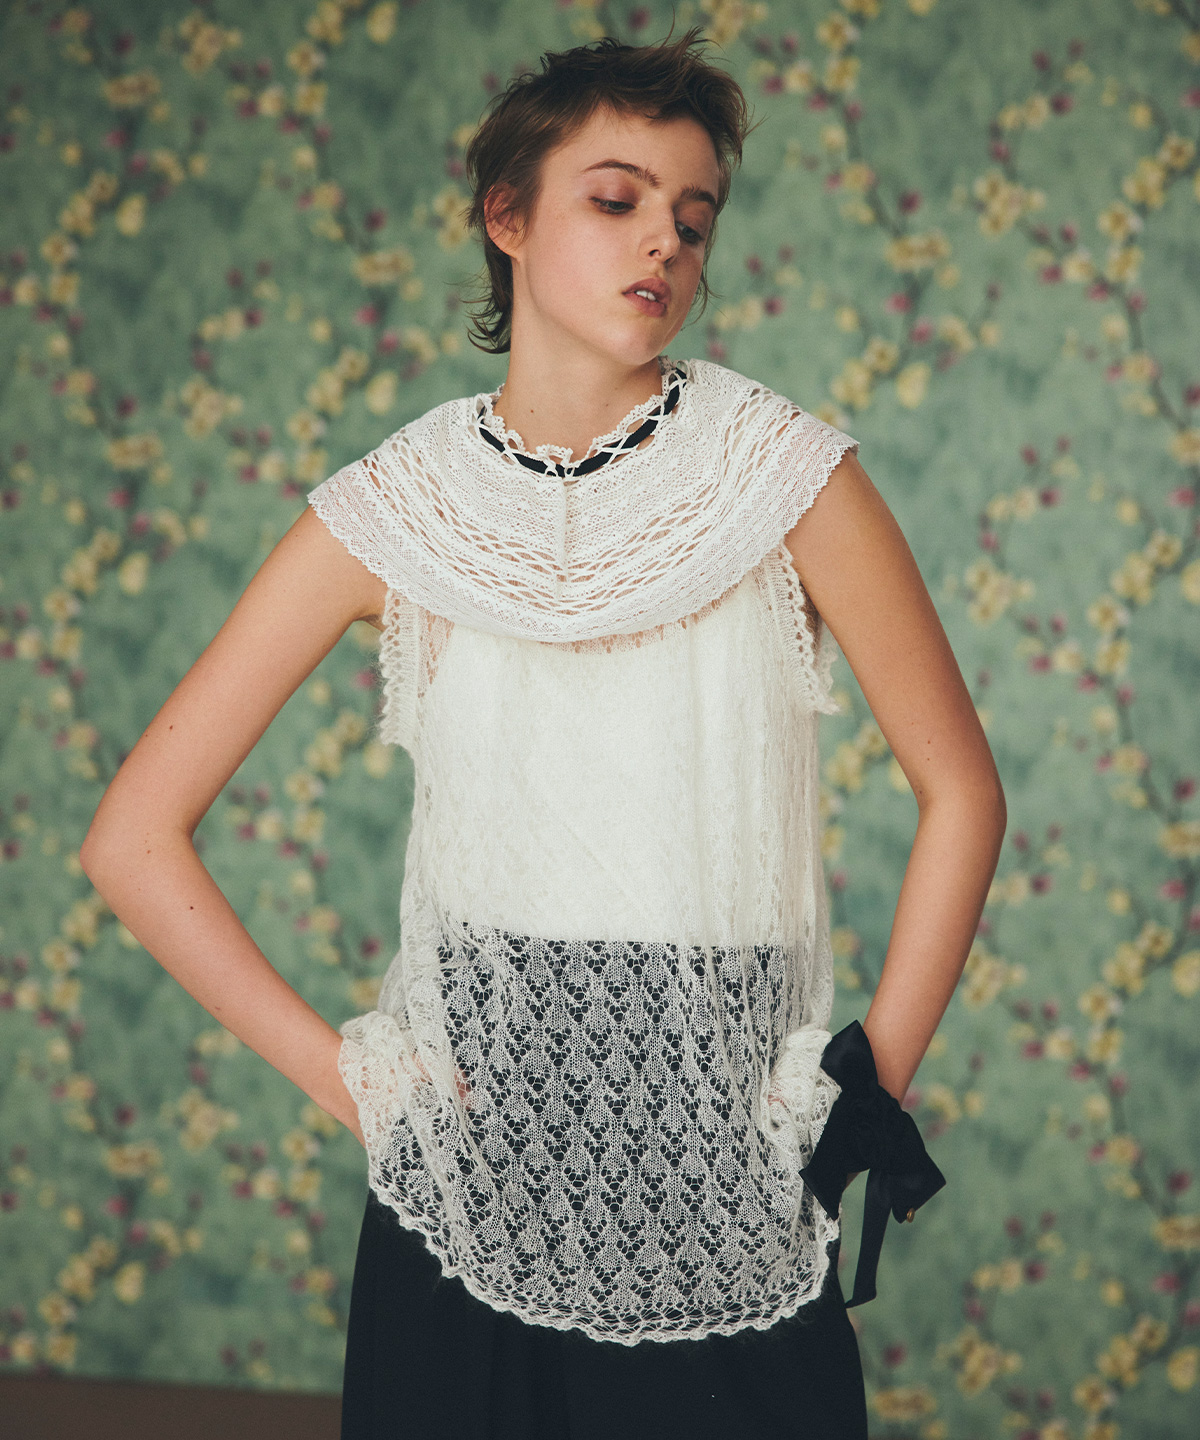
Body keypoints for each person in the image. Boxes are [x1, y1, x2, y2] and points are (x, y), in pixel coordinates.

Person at [80, 25, 1006, 1440]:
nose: (666, 243)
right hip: (463, 1170)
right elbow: (132, 840)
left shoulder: (785, 476)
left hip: (730, 1148)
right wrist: (358, 1084)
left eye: (694, 217)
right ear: (506, 217)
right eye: (618, 199)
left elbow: (962, 793)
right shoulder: (396, 508)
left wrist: (867, 1086)